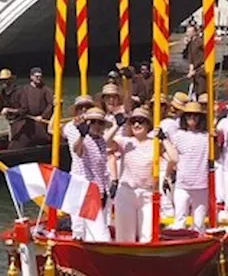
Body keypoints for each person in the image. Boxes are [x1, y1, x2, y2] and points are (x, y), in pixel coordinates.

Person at [109, 107, 157, 243]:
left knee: (147, 236)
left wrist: (163, 139)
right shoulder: (125, 141)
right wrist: (116, 126)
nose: (137, 125)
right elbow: (105, 142)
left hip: (147, 194)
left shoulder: (155, 143)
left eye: (141, 121)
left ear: (148, 125)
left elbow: (174, 158)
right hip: (127, 192)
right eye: (133, 121)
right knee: (125, 236)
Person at [164, 101, 212, 233]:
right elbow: (173, 158)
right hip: (182, 184)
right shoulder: (178, 136)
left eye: (195, 115)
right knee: (179, 221)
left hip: (201, 185)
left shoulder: (207, 137)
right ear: (184, 117)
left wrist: (215, 138)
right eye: (189, 115)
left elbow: (216, 156)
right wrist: (167, 176)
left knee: (199, 224)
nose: (192, 118)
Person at [70, 107, 117, 242]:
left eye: (100, 123)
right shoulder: (84, 138)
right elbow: (77, 151)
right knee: (100, 235)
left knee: (92, 235)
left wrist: (106, 189)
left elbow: (101, 169)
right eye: (93, 122)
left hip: (98, 191)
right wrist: (82, 135)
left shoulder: (101, 141)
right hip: (86, 191)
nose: (96, 125)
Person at [7, 67, 54, 149]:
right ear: (31, 77)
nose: (39, 78)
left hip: (39, 120)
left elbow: (50, 105)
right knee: (18, 132)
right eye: (37, 76)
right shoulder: (24, 89)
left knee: (42, 135)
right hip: (27, 118)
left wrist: (43, 116)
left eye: (40, 76)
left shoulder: (46, 90)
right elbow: (19, 104)